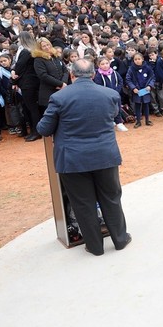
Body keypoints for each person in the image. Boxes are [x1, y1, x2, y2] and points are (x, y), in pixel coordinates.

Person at [37, 59, 131, 256]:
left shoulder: (59, 97)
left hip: (73, 159)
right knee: (111, 198)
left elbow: (44, 128)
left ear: (72, 75)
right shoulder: (110, 94)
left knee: (83, 203)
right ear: (94, 74)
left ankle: (95, 246)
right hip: (105, 156)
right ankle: (120, 240)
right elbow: (114, 116)